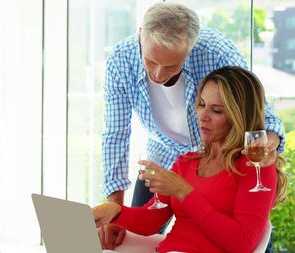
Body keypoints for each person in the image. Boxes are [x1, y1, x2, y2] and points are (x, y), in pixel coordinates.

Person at [102, 2, 285, 208]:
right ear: (140, 34)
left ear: (191, 46)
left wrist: (268, 139)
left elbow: (258, 107)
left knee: (224, 230)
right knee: (137, 226)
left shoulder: (215, 52)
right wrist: (114, 206)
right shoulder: (120, 60)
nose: (158, 75)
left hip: (217, 160)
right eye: (150, 62)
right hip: (162, 158)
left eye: (171, 66)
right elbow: (115, 133)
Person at [93, 66, 288, 253]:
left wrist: (183, 191)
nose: (203, 116)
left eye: (217, 110)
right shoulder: (186, 162)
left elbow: (242, 243)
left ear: (239, 116)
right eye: (201, 104)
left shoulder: (256, 167)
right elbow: (150, 220)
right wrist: (115, 210)